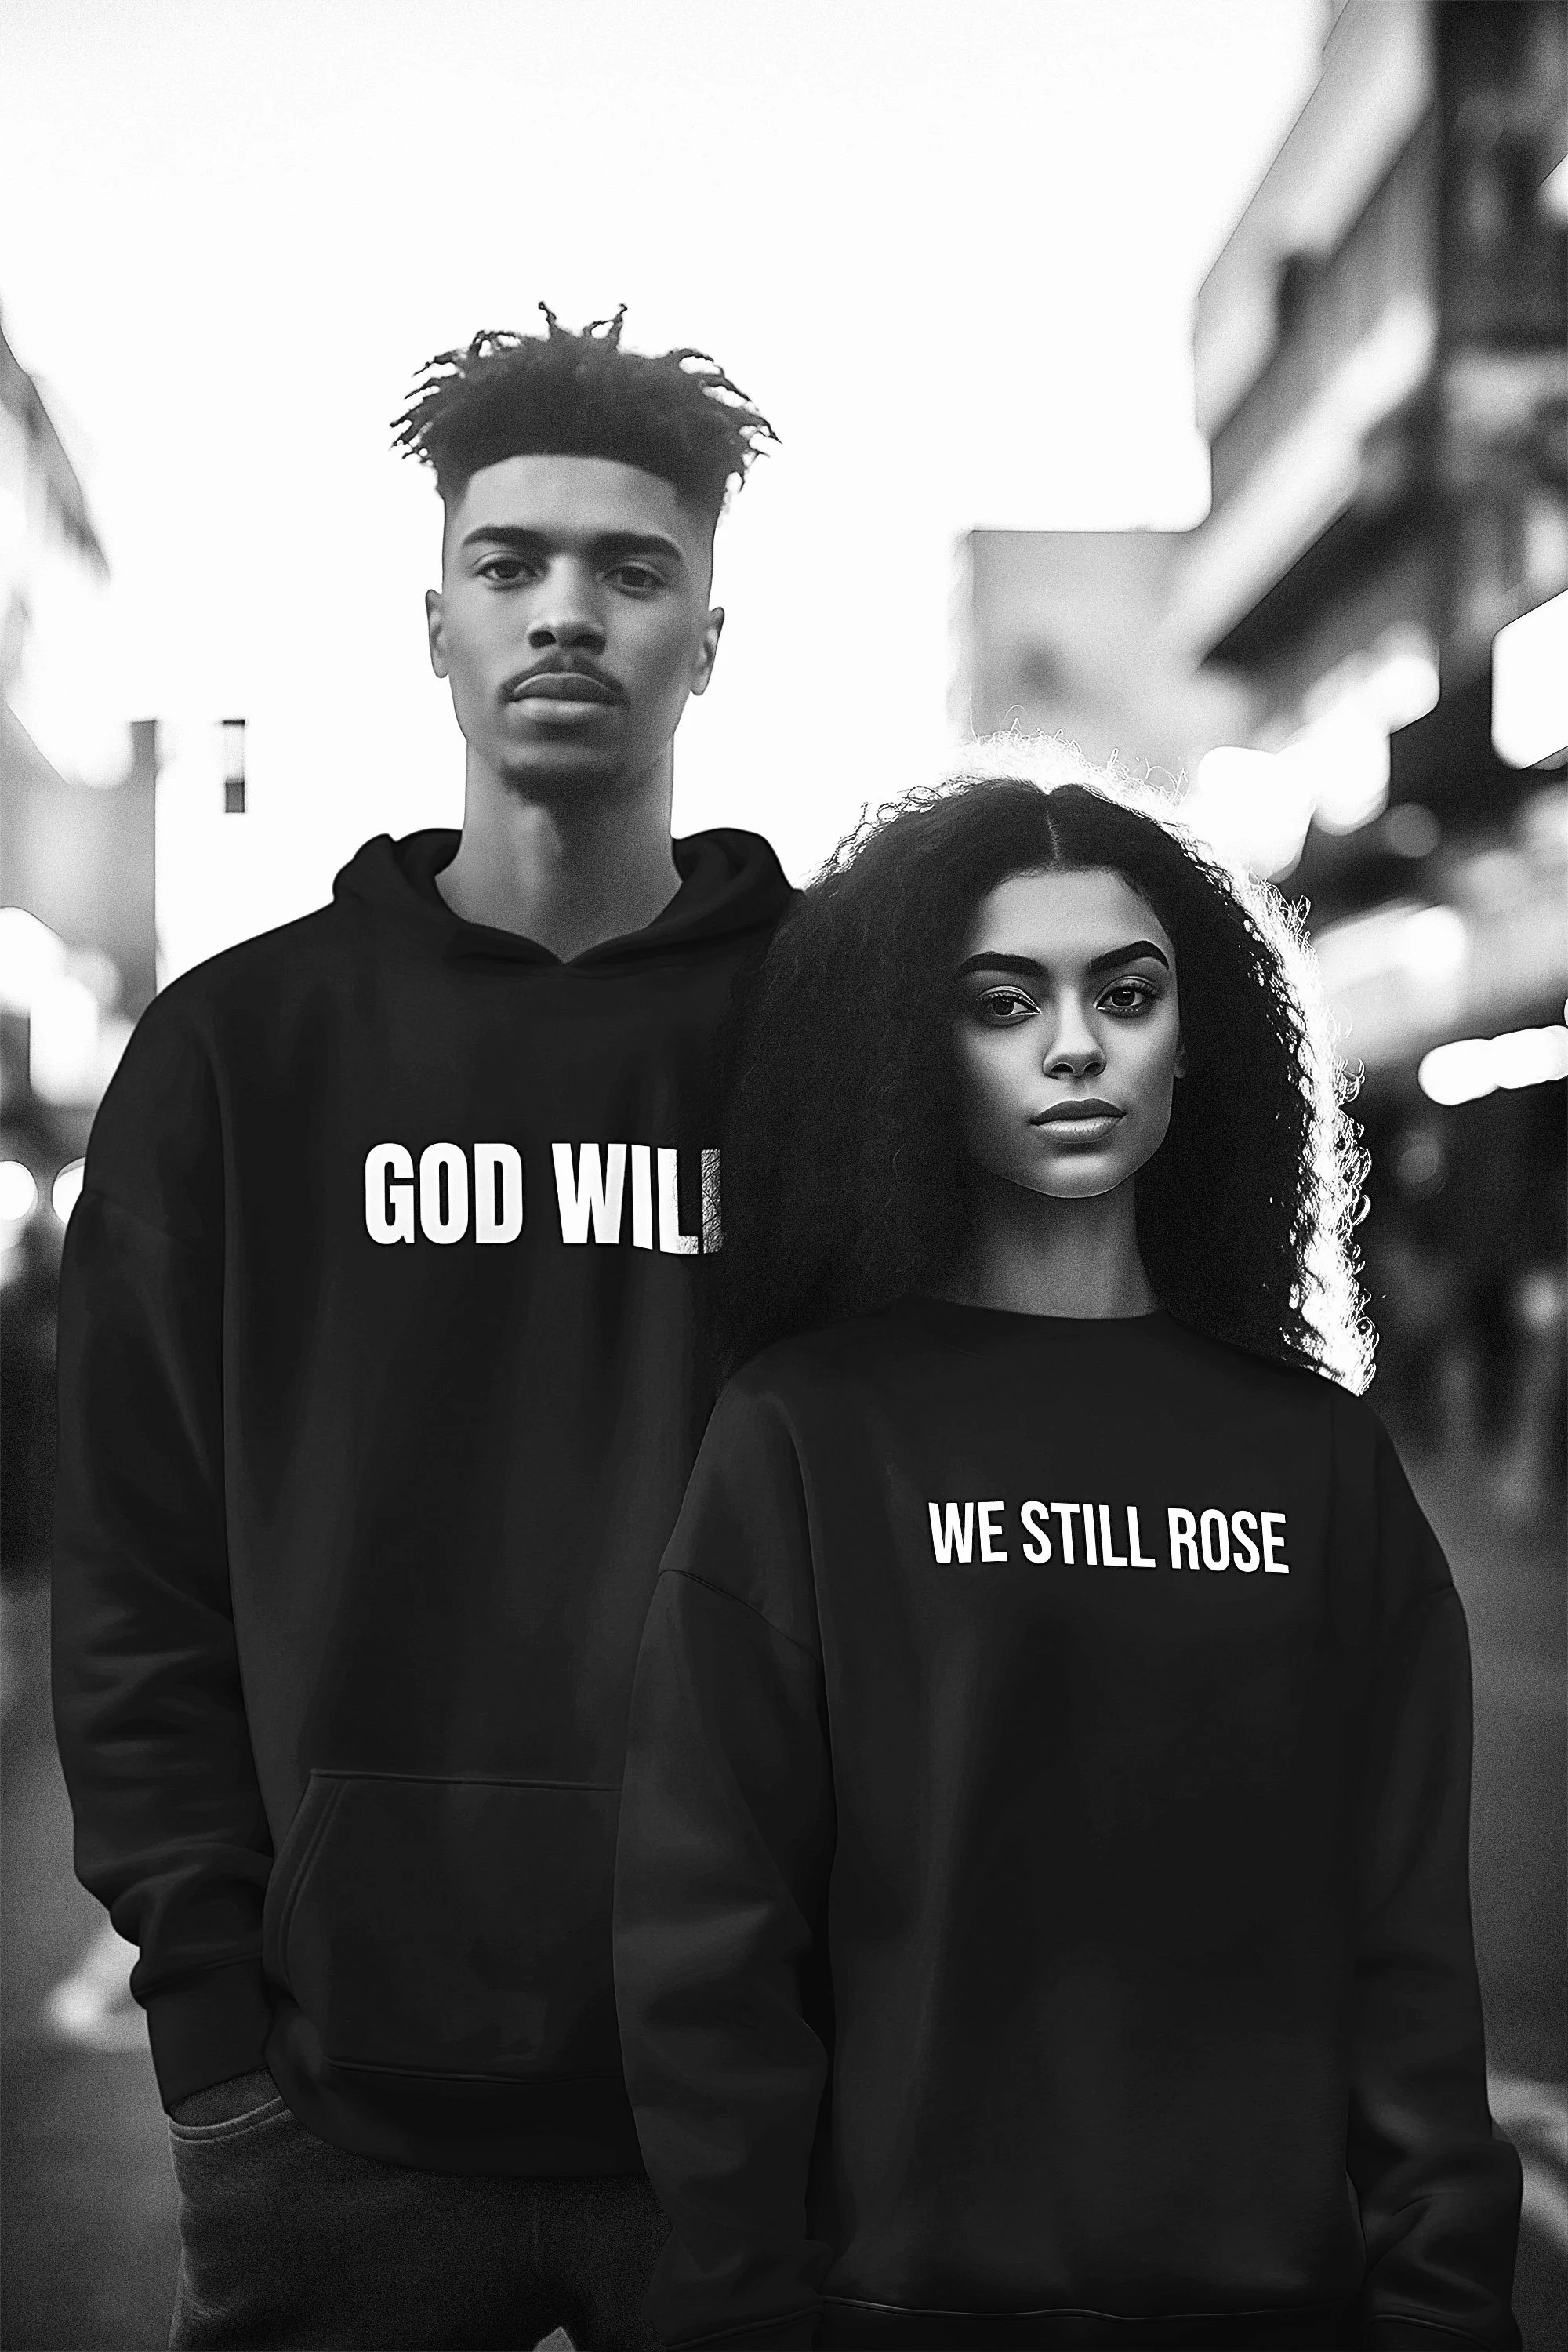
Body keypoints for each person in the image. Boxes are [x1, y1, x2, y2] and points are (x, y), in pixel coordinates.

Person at [52, 307, 793, 2352]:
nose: (566, 613)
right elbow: (133, 1571)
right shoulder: (238, 1055)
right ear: (435, 624)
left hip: (759, 2110)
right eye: (510, 563)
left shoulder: (836, 1049)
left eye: (631, 569)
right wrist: (213, 2032)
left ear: (709, 638)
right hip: (327, 2120)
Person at [612, 746, 1523, 2352]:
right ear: (910, 1046)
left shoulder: (1316, 1460)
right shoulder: (808, 1433)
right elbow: (711, 1944)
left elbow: (1408, 1967)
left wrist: (1444, 2307)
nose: (1077, 1044)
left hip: (1271, 2312)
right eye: (1002, 1002)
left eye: (1126, 992)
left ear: (1197, 1036)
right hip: (899, 2304)